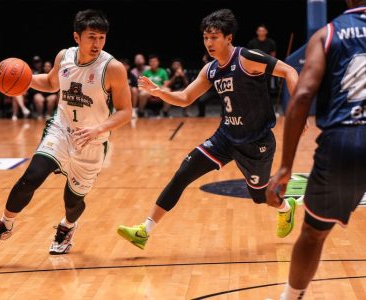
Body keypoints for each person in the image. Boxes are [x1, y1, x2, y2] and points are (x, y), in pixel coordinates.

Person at [117, 8, 299, 250]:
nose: (209, 42)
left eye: (214, 37)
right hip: (225, 138)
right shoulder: (211, 69)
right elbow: (184, 98)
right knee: (183, 173)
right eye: (205, 37)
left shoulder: (247, 58)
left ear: (228, 38)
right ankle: (144, 230)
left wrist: (298, 109)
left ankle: (286, 208)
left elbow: (289, 71)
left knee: (260, 197)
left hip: (256, 143)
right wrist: (158, 91)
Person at [0, 9, 132, 254]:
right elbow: (50, 83)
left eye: (102, 38)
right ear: (77, 37)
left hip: (92, 141)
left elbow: (125, 112)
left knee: (73, 201)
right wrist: (21, 79)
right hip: (62, 129)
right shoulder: (64, 57)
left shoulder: (112, 68)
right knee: (31, 177)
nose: (97, 43)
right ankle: (4, 225)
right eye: (92, 37)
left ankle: (68, 226)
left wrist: (98, 129)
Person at [266, 1, 366, 299]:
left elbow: (303, 95)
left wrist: (285, 166)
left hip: (344, 140)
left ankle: (291, 296)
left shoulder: (327, 34)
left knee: (313, 233)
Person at [247, 24, 278, 101]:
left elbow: (273, 55)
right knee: (254, 87)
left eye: (263, 30)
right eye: (260, 30)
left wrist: (271, 66)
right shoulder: (252, 43)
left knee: (266, 87)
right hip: (254, 68)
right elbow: (248, 56)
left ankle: (267, 104)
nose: (261, 32)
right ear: (257, 32)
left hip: (267, 67)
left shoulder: (271, 42)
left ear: (266, 32)